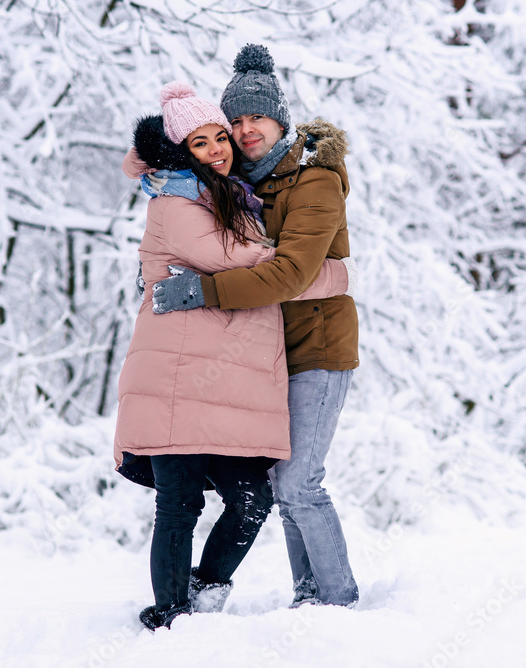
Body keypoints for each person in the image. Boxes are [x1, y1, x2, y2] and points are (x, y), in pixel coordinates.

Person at [112, 82, 352, 630]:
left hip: (219, 382)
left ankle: (209, 586)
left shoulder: (225, 191)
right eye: (202, 141)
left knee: (254, 498)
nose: (222, 146)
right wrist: (328, 272)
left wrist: (299, 270)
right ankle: (170, 613)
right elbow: (236, 260)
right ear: (178, 151)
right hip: (173, 375)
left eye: (223, 135)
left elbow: (262, 272)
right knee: (179, 503)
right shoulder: (177, 198)